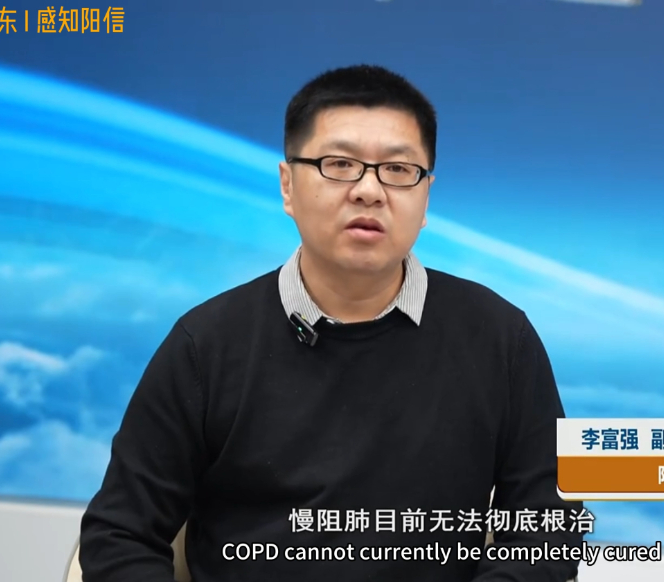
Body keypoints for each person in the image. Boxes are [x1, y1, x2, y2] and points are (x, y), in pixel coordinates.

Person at [79, 64, 585, 582]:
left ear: (426, 196)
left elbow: (551, 532)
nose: (369, 190)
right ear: (288, 186)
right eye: (339, 164)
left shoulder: (501, 338)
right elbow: (119, 535)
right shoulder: (205, 345)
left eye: (398, 169)